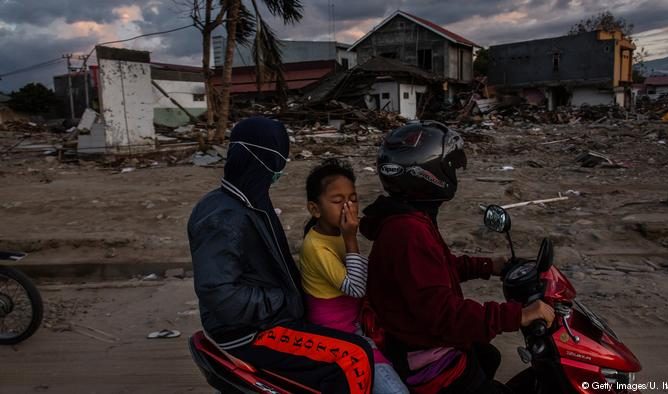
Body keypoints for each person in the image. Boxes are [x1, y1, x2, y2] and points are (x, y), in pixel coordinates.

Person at [359, 120, 555, 393]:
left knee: (489, 356)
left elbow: (436, 269)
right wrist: (515, 316)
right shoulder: (407, 232)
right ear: (429, 173)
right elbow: (442, 314)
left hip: (418, 340)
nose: (454, 174)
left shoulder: (409, 219)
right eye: (450, 166)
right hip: (425, 360)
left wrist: (489, 265)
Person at [188, 117, 374, 394]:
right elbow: (220, 294)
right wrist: (282, 299)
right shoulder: (225, 216)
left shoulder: (247, 201)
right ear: (259, 160)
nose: (279, 172)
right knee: (353, 356)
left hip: (267, 318)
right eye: (276, 163)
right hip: (249, 332)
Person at [298, 159, 409, 394]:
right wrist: (351, 238)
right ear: (314, 209)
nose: (348, 207)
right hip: (339, 335)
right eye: (338, 201)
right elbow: (356, 287)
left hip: (356, 324)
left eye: (353, 199)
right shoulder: (316, 246)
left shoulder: (336, 231)